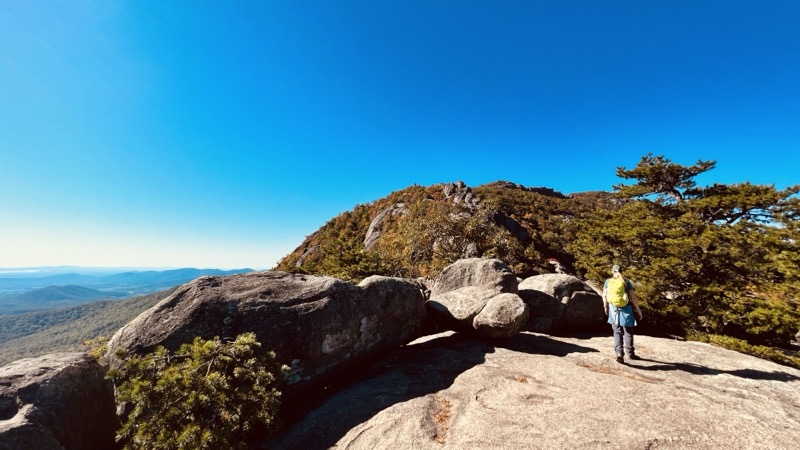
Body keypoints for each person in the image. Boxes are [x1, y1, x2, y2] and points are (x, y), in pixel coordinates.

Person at [602, 264, 643, 363]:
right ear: (622, 272)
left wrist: (605, 307)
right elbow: (633, 298)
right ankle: (630, 353)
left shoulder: (608, 282)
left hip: (613, 309)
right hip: (626, 309)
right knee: (628, 331)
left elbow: (604, 295)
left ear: (612, 272)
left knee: (617, 331)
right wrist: (639, 310)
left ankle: (619, 353)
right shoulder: (626, 282)